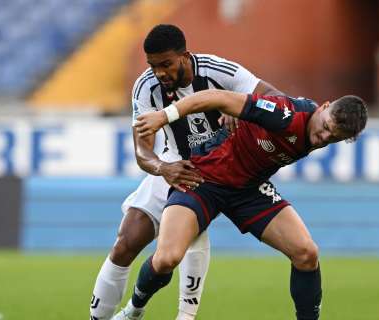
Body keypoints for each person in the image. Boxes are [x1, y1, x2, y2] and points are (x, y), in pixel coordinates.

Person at [117, 89, 367, 319]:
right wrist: (164, 116)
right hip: (204, 179)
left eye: (334, 138)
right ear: (324, 107)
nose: (323, 138)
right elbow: (219, 97)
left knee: (307, 253)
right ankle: (133, 310)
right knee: (166, 259)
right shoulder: (284, 114)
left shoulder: (319, 126)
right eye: (325, 128)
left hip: (248, 189)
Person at [90, 24, 282, 320]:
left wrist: (241, 110)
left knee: (190, 234)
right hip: (175, 164)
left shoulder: (220, 72)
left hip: (221, 168)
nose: (160, 73)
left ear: (185, 56)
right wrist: (163, 168)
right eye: (153, 66)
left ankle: (182, 315)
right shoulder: (145, 88)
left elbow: (275, 100)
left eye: (166, 64)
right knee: (126, 240)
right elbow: (142, 151)